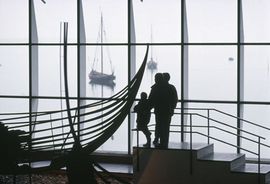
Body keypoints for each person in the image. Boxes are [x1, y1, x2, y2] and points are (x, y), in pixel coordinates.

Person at [148, 73, 164, 146]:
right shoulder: (169, 87)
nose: (154, 79)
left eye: (155, 78)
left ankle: (157, 138)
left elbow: (151, 99)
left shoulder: (154, 88)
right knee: (164, 126)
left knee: (158, 125)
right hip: (166, 111)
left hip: (158, 110)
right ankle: (163, 139)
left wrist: (148, 108)